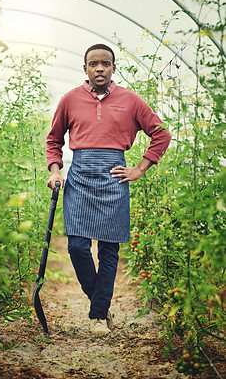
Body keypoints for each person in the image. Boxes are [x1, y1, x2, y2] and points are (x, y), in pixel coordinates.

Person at [46, 44, 171, 335]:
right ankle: (99, 301)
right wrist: (55, 171)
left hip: (115, 178)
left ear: (114, 68)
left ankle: (98, 315)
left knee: (109, 250)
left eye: (105, 63)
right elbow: (54, 140)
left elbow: (160, 134)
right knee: (77, 246)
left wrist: (139, 169)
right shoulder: (70, 99)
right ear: (85, 68)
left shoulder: (131, 100)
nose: (99, 68)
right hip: (79, 178)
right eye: (93, 63)